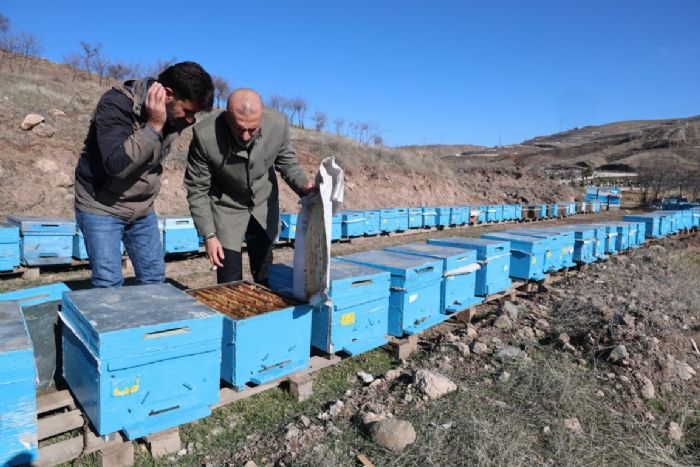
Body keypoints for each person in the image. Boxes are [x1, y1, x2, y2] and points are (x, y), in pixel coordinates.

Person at [74, 61, 214, 287]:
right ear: (167, 94)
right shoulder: (116, 104)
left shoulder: (173, 117)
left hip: (142, 208)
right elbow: (116, 166)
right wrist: (153, 124)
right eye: (188, 111)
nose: (189, 120)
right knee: (108, 283)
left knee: (154, 279)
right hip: (101, 205)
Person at [185, 88, 313, 285]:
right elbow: (197, 189)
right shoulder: (204, 135)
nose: (245, 136)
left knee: (266, 274)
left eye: (252, 130)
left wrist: (304, 186)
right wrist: (209, 235)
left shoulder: (278, 124)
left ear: (262, 118)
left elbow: (287, 162)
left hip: (262, 204)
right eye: (239, 128)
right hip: (226, 206)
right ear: (227, 117)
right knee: (229, 277)